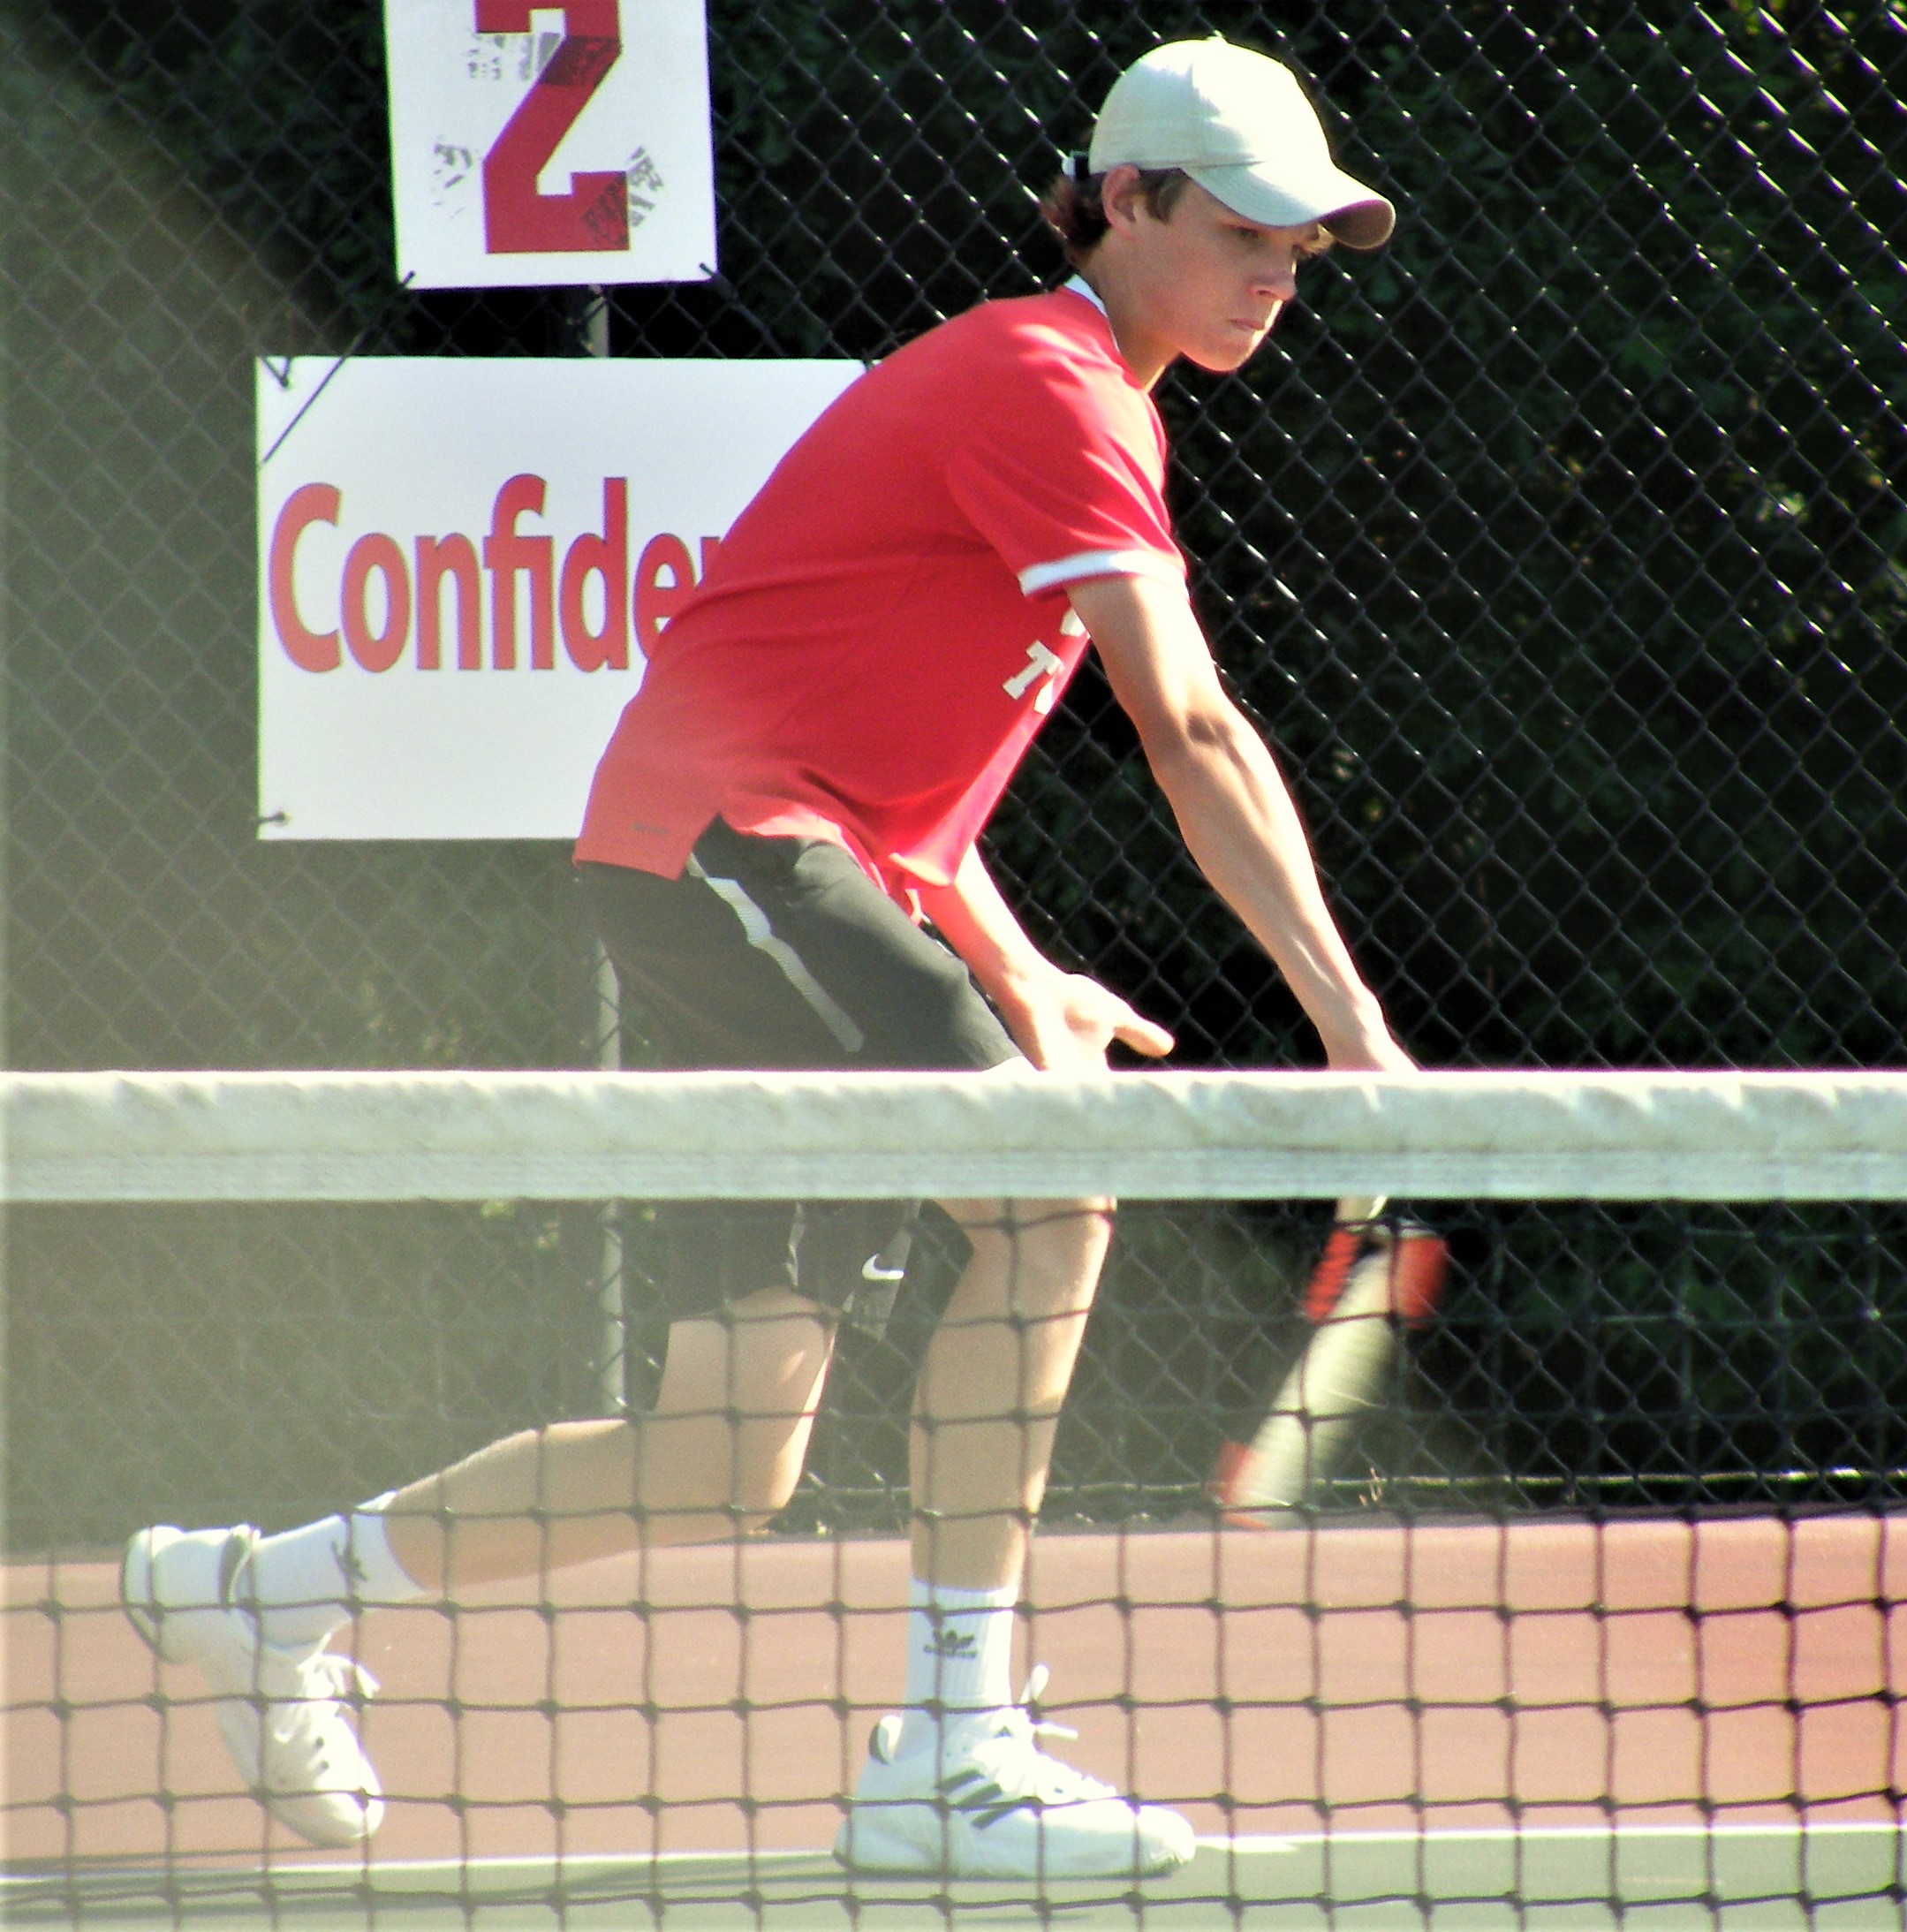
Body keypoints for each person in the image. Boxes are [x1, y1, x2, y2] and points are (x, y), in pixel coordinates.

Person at [120, 37, 1410, 1882]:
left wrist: (1013, 966)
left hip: (748, 860)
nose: (1280, 269)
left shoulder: (1078, 398)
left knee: (724, 1455)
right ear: (1128, 203)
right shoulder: (1050, 386)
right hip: (727, 848)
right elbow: (1187, 725)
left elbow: (893, 770)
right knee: (1056, 1201)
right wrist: (1356, 1029)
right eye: (1246, 229)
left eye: (1304, 241)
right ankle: (952, 1757)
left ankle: (263, 1592)